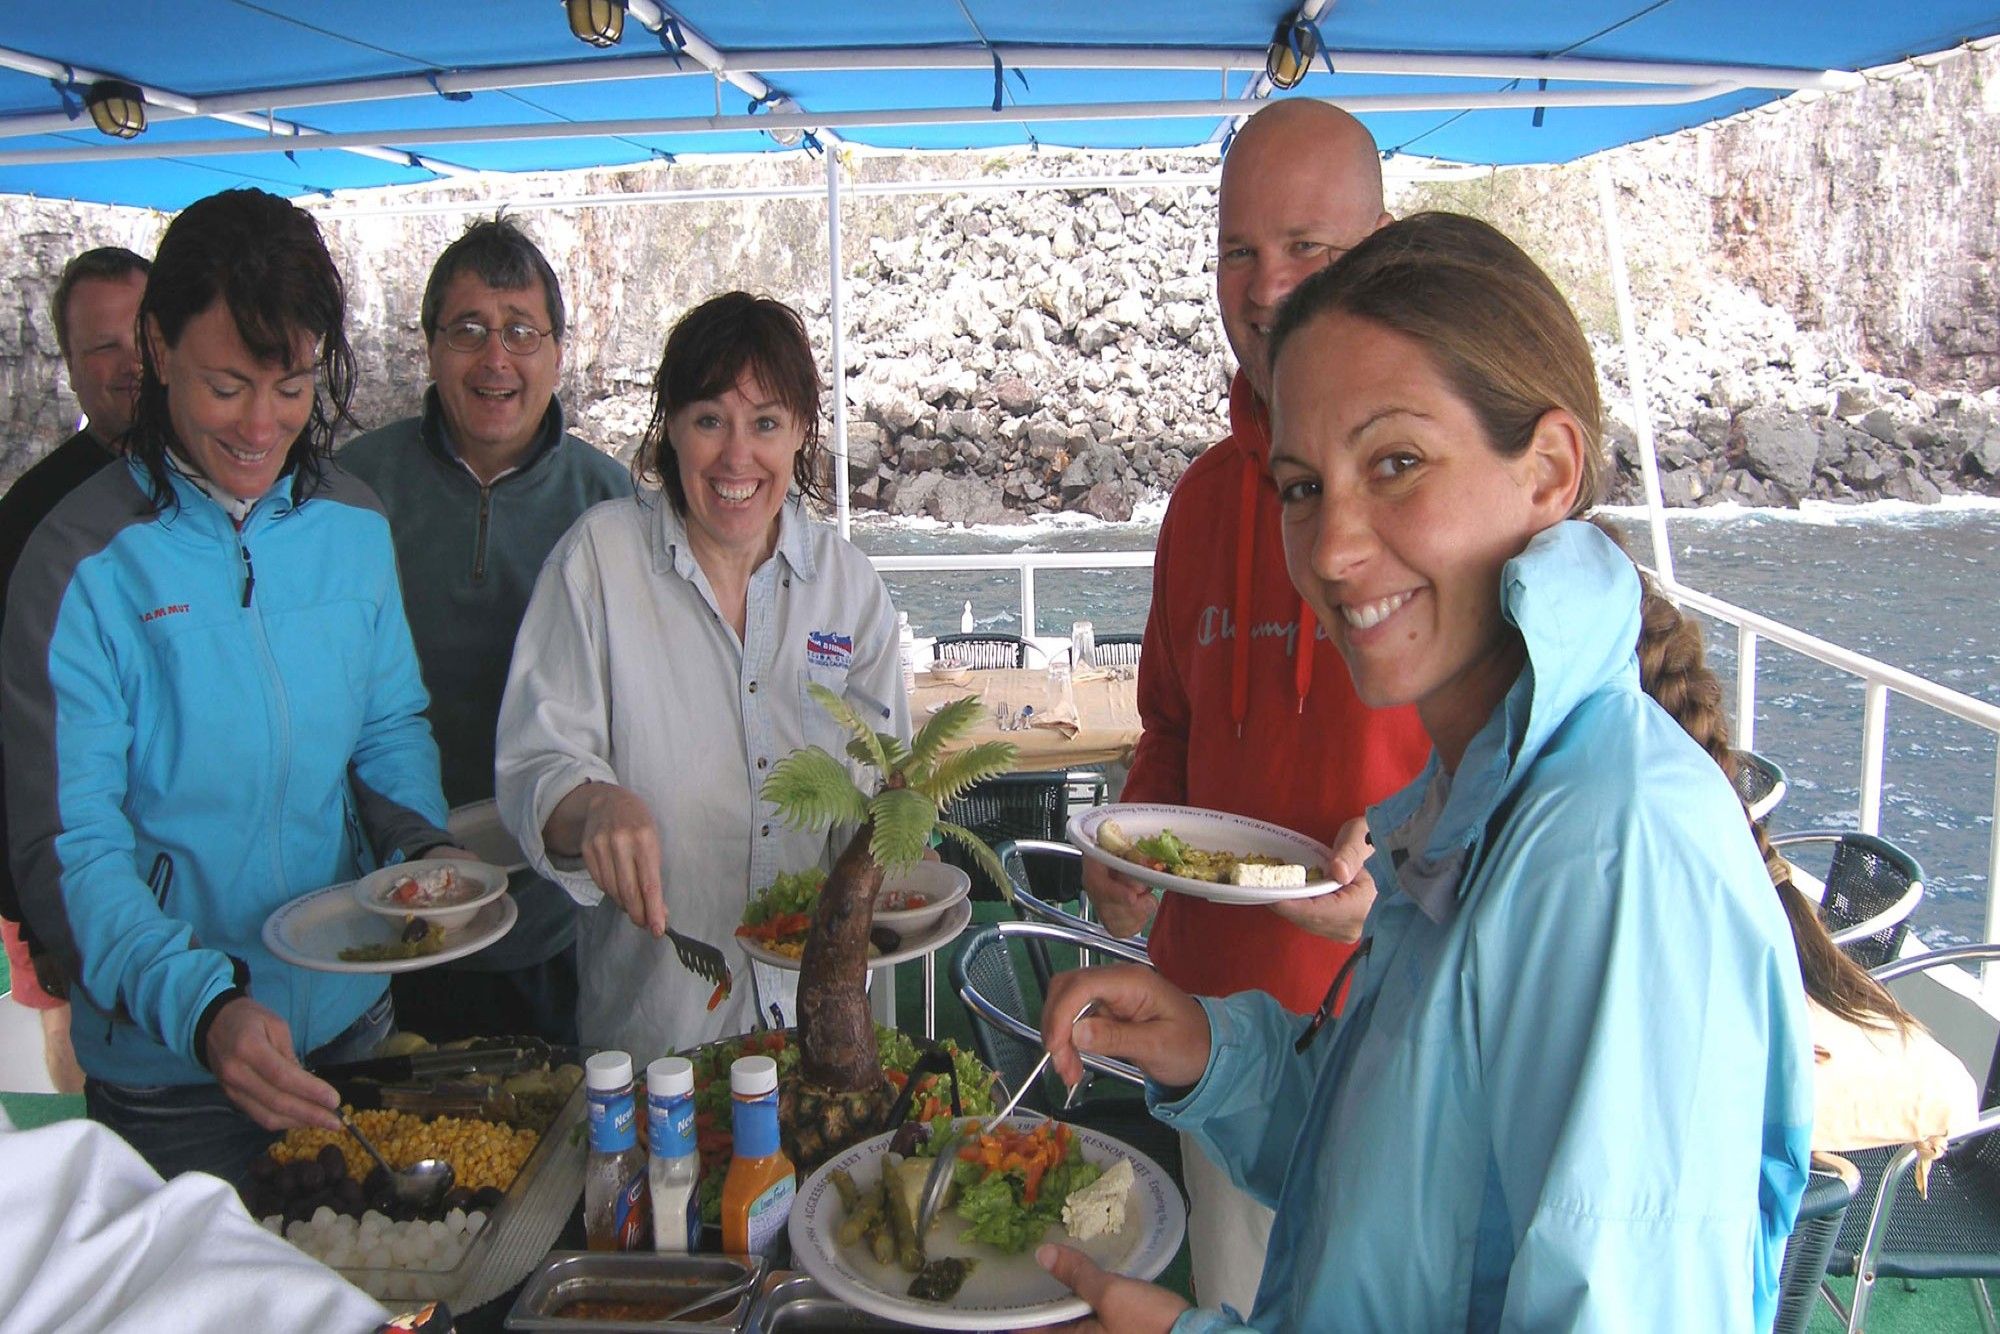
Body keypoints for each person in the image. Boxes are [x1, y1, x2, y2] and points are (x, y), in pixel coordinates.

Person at [1037, 213, 1815, 1331]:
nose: (1334, 550)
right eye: (1302, 486)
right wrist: (1213, 1049)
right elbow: (1412, 1175)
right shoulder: (1473, 801)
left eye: (1394, 462)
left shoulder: (1610, 851)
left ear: (1546, 471)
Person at [2, 189, 457, 1188]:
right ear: (157, 350)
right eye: (227, 385)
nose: (263, 426)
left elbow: (384, 728)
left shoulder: (350, 521)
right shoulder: (80, 562)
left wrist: (424, 852)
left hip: (350, 1018)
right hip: (175, 1071)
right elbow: (68, 845)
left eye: (291, 386)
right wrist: (204, 1006)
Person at [1080, 98, 1432, 1308]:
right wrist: (1126, 845)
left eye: (1305, 248)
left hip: (1393, 1036)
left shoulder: (1446, 496)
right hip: (1211, 1038)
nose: (1265, 282)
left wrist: (1398, 863)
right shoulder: (1198, 503)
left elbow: (1514, 753)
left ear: (1381, 246)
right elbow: (1171, 723)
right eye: (1238, 248)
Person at [496, 291, 908, 1066]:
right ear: (671, 430)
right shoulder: (599, 563)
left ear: (799, 438)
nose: (736, 458)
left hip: (815, 1037)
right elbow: (535, 768)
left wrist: (901, 815)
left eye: (766, 424)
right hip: (654, 1040)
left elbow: (887, 794)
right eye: (710, 420)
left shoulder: (847, 590)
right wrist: (594, 806)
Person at [339, 218, 632, 1046]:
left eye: (519, 332)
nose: (495, 359)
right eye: (468, 331)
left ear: (556, 352)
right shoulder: (352, 490)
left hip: (556, 914)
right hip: (379, 908)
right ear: (430, 346)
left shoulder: (610, 507)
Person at [0, 245, 150, 1096]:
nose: (128, 364)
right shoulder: (31, 521)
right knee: (102, 1071)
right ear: (68, 366)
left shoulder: (218, 486)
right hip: (82, 874)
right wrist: (29, 913)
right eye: (103, 348)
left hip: (201, 877)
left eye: (140, 337)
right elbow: (10, 733)